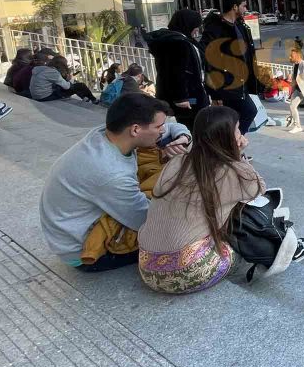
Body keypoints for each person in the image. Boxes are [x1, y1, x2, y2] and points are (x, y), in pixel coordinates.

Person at [137, 106, 304, 294]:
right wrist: (238, 156)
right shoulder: (231, 172)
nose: (241, 133)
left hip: (147, 264)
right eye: (238, 129)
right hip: (184, 273)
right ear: (227, 137)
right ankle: (281, 246)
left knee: (222, 206)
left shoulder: (176, 162)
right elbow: (259, 188)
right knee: (242, 217)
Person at [40, 94, 191, 271]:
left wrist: (183, 136)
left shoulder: (105, 134)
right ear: (135, 130)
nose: (163, 130)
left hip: (68, 230)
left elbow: (173, 127)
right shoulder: (111, 173)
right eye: (159, 126)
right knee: (181, 233)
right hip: (84, 250)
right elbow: (148, 222)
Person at [201, 0, 261, 134]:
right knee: (248, 112)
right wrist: (215, 93)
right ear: (235, 7)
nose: (246, 9)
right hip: (227, 85)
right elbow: (210, 62)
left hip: (241, 82)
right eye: (244, 6)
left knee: (236, 118)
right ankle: (232, 145)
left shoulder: (240, 26)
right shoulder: (215, 29)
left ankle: (232, 146)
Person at [146, 9, 211, 130]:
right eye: (196, 26)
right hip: (188, 99)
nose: (197, 30)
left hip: (186, 96)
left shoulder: (176, 40)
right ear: (188, 25)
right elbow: (176, 73)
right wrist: (181, 98)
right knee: (196, 129)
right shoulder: (179, 44)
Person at [31, 55, 99, 104]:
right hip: (45, 98)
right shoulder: (53, 72)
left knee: (73, 86)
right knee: (80, 85)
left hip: (36, 96)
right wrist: (70, 80)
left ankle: (86, 98)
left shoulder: (41, 69)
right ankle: (94, 100)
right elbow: (67, 86)